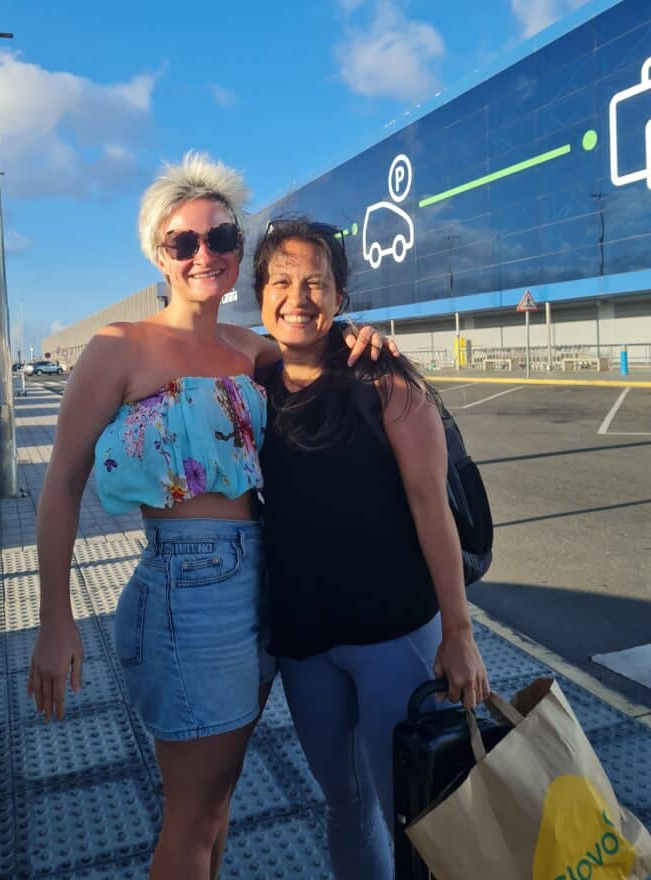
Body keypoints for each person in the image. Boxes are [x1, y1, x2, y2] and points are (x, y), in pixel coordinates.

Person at [26, 153, 387, 880]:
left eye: (220, 239)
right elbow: (61, 485)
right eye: (182, 242)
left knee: (218, 806)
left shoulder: (253, 352)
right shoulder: (118, 349)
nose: (203, 255)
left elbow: (327, 363)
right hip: (187, 590)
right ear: (158, 253)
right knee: (194, 817)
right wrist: (55, 618)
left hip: (265, 584)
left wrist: (364, 341)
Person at [253, 218, 490, 880]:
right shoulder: (253, 384)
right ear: (260, 293)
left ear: (340, 296)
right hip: (306, 646)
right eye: (280, 281)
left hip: (397, 636)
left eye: (315, 283)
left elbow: (430, 507)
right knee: (345, 804)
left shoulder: (384, 379)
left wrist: (460, 634)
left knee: (422, 811)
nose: (297, 297)